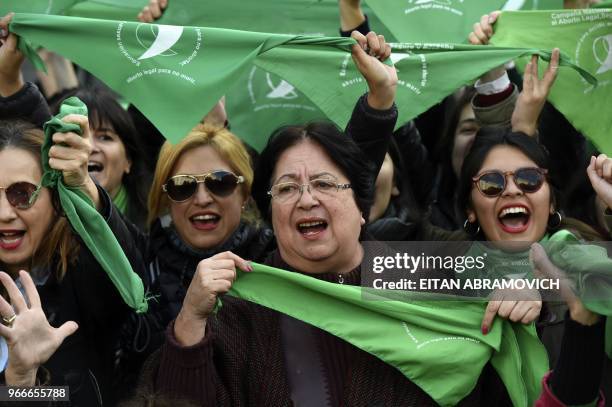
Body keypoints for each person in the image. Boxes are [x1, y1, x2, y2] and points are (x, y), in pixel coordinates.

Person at [0, 118, 146, 406]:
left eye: (22, 193)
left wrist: (86, 190)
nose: (5, 213)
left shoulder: (81, 274)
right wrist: (15, 383)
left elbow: (130, 278)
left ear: (55, 200)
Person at [52, 87, 152, 229]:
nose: (89, 147)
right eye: (77, 135)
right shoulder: (39, 223)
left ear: (128, 160)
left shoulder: (157, 228)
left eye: (105, 137)